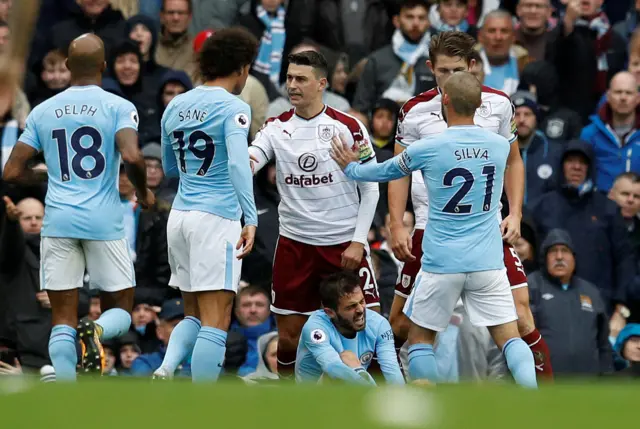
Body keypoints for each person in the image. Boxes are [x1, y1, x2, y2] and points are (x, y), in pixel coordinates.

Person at [331, 71, 537, 388]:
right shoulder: (498, 146)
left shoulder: (428, 147)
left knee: (420, 340)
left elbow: (383, 171)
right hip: (488, 260)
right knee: (510, 338)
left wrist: (350, 166)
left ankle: (434, 406)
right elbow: (515, 165)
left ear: (445, 100)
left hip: (442, 262)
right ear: (480, 104)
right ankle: (532, 397)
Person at [387, 30, 553, 381]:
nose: (449, 78)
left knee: (521, 316)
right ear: (431, 67)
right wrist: (397, 222)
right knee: (400, 323)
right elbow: (398, 170)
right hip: (428, 229)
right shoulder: (413, 111)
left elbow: (515, 161)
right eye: (442, 71)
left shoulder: (497, 104)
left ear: (473, 66)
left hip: (485, 230)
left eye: (457, 69)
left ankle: (543, 403)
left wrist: (515, 213)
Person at [2, 33, 154, 381]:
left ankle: (68, 392)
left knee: (61, 319)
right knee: (121, 312)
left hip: (58, 221)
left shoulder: (43, 110)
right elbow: (131, 155)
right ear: (103, 66)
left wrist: (50, 174)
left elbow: (12, 170)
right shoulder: (118, 106)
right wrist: (143, 192)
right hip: (103, 221)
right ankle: (97, 331)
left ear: (68, 66)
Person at [248, 50, 380, 378]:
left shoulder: (348, 126)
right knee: (290, 339)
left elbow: (372, 187)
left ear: (321, 84)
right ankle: (292, 406)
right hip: (296, 247)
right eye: (289, 78)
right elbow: (251, 160)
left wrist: (358, 242)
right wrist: (236, 161)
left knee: (368, 331)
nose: (292, 85)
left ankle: (372, 400)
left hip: (342, 246)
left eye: (300, 79)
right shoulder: (276, 127)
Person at [154, 27, 259, 383]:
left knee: (193, 314)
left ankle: (166, 368)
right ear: (242, 68)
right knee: (217, 317)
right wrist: (250, 217)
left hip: (180, 216)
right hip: (217, 217)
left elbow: (169, 167)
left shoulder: (176, 104)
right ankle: (203, 402)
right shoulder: (234, 106)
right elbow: (235, 163)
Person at [296, 271, 404, 385]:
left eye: (361, 301)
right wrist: (368, 383)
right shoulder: (315, 329)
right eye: (351, 307)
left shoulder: (379, 324)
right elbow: (333, 367)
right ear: (330, 312)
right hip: (312, 396)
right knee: (346, 359)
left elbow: (392, 371)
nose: (360, 310)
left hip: (356, 389)